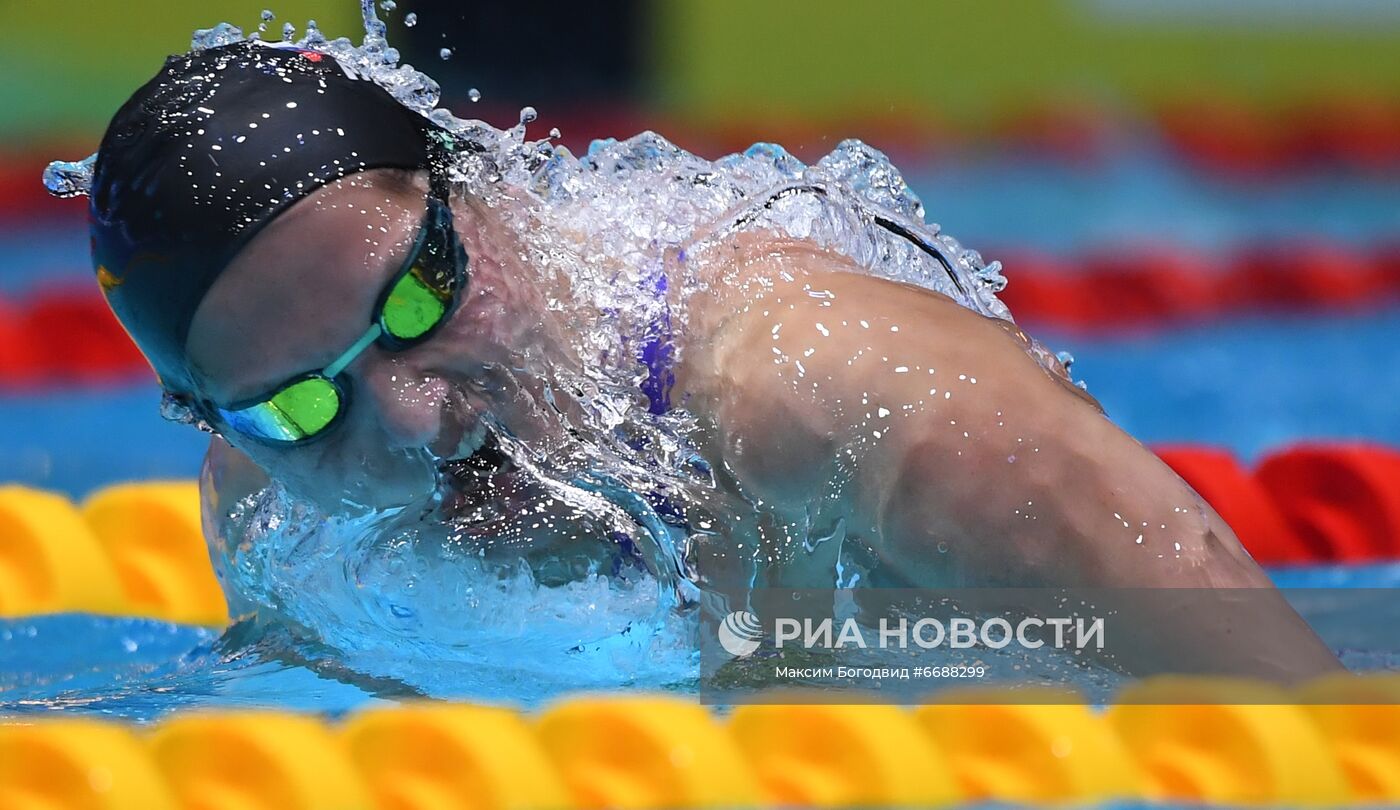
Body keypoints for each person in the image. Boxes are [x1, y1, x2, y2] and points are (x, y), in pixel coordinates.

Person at [80, 40, 1339, 680]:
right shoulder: (268, 505)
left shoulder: (829, 389)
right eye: (302, 407)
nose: (408, 423)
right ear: (204, 415)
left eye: (416, 300)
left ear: (487, 197)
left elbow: (1295, 727)